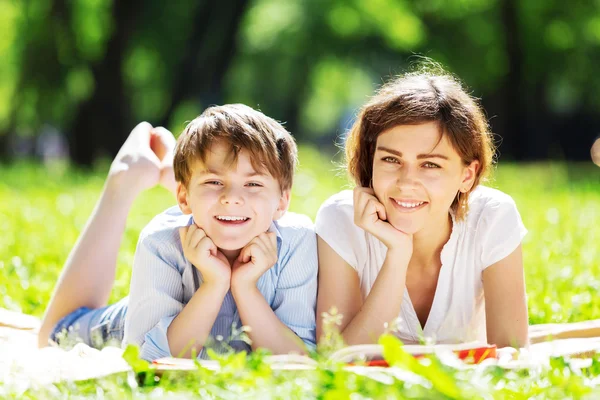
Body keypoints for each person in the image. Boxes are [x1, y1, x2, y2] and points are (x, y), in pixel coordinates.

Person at [38, 104, 317, 361]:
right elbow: (150, 363)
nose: (233, 197)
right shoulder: (161, 241)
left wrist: (244, 288)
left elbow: (299, 362)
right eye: (215, 180)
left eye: (253, 184)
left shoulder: (296, 241)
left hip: (201, 236)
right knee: (52, 333)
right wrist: (214, 284)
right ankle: (126, 176)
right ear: (182, 198)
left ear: (282, 202)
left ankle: (186, 175)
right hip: (148, 318)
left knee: (216, 205)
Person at [315, 69, 529, 349]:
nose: (406, 183)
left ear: (467, 175)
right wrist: (397, 254)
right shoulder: (340, 219)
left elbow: (511, 355)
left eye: (430, 164)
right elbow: (337, 358)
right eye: (391, 159)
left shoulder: (492, 217)